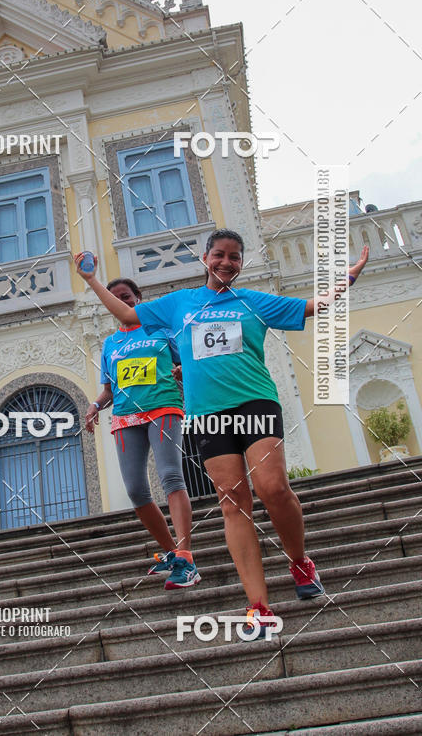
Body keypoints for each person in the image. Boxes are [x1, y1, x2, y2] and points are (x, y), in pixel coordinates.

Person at [75, 230, 369, 635]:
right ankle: (258, 606)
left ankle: (300, 561)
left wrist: (348, 277)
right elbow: (128, 316)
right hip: (207, 412)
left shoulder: (253, 300)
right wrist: (91, 279)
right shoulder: (180, 303)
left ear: (241, 263)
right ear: (205, 258)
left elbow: (312, 306)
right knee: (232, 501)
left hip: (254, 401)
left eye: (234, 257)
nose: (226, 262)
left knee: (272, 487)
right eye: (219, 255)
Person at [85, 277, 199, 589]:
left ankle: (186, 557)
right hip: (125, 416)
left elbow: (188, 361)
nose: (121, 302)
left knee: (171, 476)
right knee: (136, 490)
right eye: (115, 298)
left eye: (126, 296)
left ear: (138, 297)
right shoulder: (110, 344)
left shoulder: (161, 330)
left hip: (163, 406)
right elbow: (109, 390)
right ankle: (172, 552)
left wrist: (183, 371)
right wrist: (95, 405)